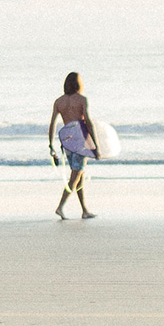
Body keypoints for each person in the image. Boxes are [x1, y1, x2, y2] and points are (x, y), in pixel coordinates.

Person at [47, 71, 100, 220]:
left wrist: (51, 145)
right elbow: (88, 122)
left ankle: (84, 210)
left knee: (79, 175)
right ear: (79, 84)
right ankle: (60, 206)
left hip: (67, 140)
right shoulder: (82, 99)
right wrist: (96, 146)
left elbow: (52, 124)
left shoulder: (59, 101)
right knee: (75, 176)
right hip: (80, 140)